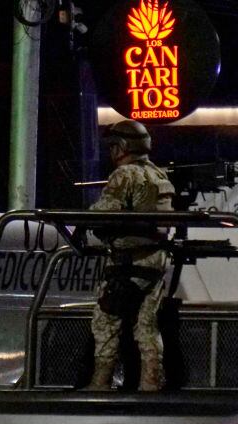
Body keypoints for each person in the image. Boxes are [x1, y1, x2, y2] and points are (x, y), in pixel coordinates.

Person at [87, 119, 175, 392]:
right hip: (155, 262)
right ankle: (151, 383)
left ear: (122, 147)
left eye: (113, 146)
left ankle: (100, 384)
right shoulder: (160, 175)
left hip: (129, 263)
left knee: (106, 321)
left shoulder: (124, 175)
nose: (111, 153)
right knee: (147, 327)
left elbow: (103, 213)